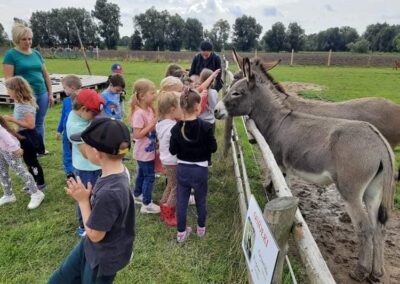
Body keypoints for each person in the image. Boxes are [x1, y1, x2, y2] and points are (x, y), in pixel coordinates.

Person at [48, 117, 135, 284]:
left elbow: (95, 235)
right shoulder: (117, 171)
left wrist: (82, 201)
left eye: (83, 144)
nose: (80, 147)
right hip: (89, 247)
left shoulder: (111, 192)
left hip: (102, 258)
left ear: (97, 152)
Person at [169, 87, 217, 242]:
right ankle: (201, 229)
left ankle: (181, 233)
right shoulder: (206, 127)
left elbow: (172, 150)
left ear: (181, 107)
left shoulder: (176, 129)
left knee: (181, 201)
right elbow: (213, 148)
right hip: (200, 170)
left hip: (182, 169)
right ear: (198, 108)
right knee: (201, 199)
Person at [2, 23, 54, 150]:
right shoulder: (11, 55)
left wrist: (50, 93)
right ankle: (24, 148)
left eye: (29, 38)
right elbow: (9, 80)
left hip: (42, 93)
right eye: (24, 39)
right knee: (25, 124)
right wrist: (16, 96)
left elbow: (46, 75)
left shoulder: (36, 54)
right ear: (17, 40)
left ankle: (40, 148)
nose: (28, 42)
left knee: (39, 122)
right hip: (25, 96)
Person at [66, 89, 104, 237]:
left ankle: (94, 218)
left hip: (95, 166)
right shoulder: (75, 127)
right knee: (85, 197)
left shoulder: (81, 117)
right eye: (93, 114)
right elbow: (87, 154)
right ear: (83, 109)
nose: (95, 117)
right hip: (86, 169)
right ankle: (83, 227)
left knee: (95, 195)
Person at [3, 76, 47, 191]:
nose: (7, 92)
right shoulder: (19, 102)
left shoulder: (25, 105)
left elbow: (31, 125)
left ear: (16, 90)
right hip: (22, 135)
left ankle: (40, 183)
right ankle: (32, 182)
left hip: (28, 137)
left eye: (9, 90)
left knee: (32, 161)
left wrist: (13, 120)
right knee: (28, 160)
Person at [0, 116, 45, 209]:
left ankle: (36, 193)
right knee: (2, 172)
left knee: (20, 171)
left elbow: (5, 135)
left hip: (10, 150)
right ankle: (9, 195)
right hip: (2, 149)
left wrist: (15, 148)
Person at [130, 79, 160, 214]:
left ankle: (137, 195)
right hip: (143, 152)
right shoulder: (139, 114)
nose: (155, 95)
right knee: (150, 177)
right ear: (142, 96)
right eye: (152, 93)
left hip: (148, 150)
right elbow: (137, 135)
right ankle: (146, 204)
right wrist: (152, 124)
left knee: (142, 174)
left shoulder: (148, 109)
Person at [156, 91, 182, 226]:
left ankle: (163, 207)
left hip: (165, 160)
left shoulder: (161, 124)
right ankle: (169, 216)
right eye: (180, 107)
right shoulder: (173, 127)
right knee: (176, 188)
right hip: (173, 161)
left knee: (171, 185)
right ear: (172, 110)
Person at [57, 75, 82, 179]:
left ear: (72, 87)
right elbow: (63, 116)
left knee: (79, 151)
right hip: (67, 133)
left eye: (64, 88)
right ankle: (69, 172)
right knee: (67, 152)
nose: (63, 90)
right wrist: (59, 130)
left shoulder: (83, 100)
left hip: (79, 132)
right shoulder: (66, 101)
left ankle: (79, 169)